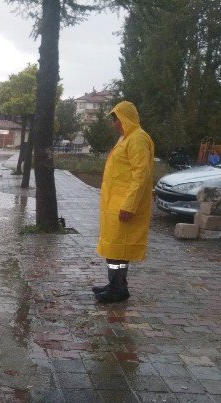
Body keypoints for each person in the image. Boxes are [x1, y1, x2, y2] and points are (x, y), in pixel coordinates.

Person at [93, 101, 154, 303]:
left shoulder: (137, 139)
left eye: (116, 120)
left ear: (125, 118)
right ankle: (115, 284)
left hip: (124, 205)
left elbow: (141, 175)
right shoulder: (125, 139)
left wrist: (130, 204)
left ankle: (118, 289)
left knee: (119, 250)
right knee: (114, 249)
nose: (114, 124)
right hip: (114, 204)